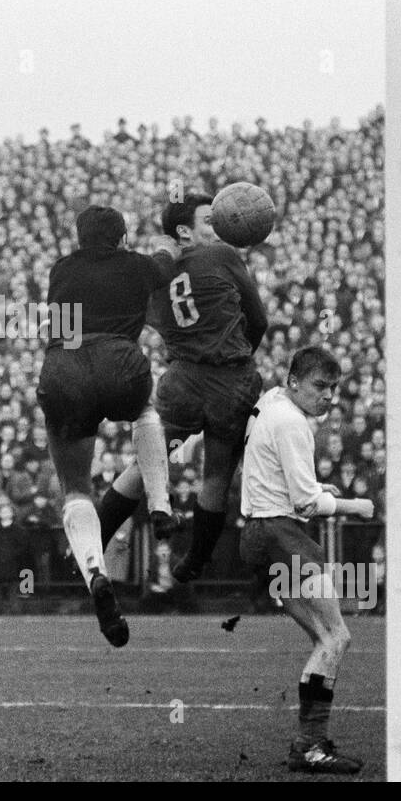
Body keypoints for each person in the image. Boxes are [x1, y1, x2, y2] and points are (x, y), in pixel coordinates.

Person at [94, 192, 269, 583]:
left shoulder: (154, 275)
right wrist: (239, 354)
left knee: (146, 466)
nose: (219, 228)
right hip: (229, 378)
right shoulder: (222, 256)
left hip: (182, 380)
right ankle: (195, 560)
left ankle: (92, 542)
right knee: (217, 473)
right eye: (210, 221)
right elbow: (258, 319)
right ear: (185, 231)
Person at [34, 204, 178, 647]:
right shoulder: (135, 264)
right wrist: (165, 247)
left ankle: (95, 574)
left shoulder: (61, 269)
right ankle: (160, 505)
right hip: (118, 357)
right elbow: (166, 264)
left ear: (79, 238)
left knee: (75, 487)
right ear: (120, 238)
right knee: (146, 412)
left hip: (63, 366)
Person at [239, 346, 374, 775]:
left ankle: (308, 745)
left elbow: (290, 485)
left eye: (334, 388)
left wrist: (321, 490)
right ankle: (311, 747)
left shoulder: (272, 401)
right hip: (281, 536)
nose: (328, 396)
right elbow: (304, 501)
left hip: (259, 534)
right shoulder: (295, 423)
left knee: (325, 639)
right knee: (337, 637)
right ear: (295, 381)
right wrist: (358, 505)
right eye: (320, 386)